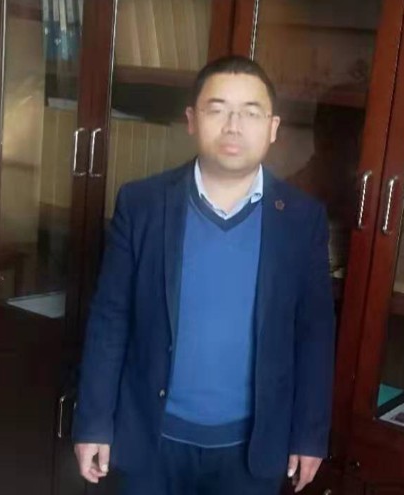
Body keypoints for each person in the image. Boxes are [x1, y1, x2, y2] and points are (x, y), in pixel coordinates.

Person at [72, 55, 335, 495]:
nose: (233, 126)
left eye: (250, 113)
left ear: (272, 128)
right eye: (218, 110)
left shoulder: (301, 219)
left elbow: (314, 333)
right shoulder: (142, 204)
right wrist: (94, 421)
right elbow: (110, 318)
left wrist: (309, 434)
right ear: (192, 120)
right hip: (151, 440)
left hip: (253, 448)